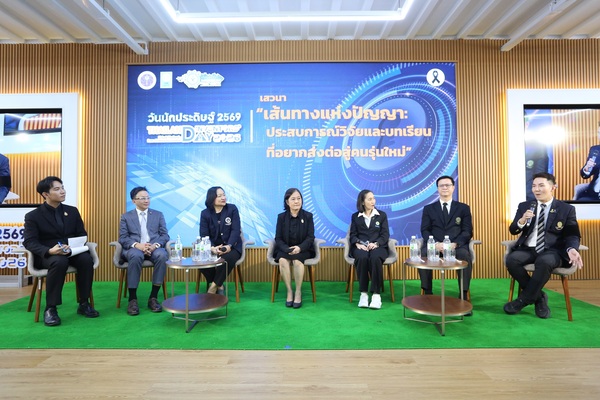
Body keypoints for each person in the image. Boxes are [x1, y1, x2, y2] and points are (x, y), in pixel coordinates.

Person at [504, 172, 584, 319]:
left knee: (544, 261)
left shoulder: (566, 209)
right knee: (511, 260)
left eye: (541, 185)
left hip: (553, 251)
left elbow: (572, 234)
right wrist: (522, 220)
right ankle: (539, 297)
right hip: (529, 248)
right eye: (534, 186)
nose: (536, 189)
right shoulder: (525, 206)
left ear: (553, 187)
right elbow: (513, 230)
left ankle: (522, 300)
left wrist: (572, 248)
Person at [23, 176, 99, 326]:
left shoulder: (72, 211)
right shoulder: (33, 216)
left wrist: (73, 246)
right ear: (45, 194)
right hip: (48, 255)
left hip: (71, 251)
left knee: (86, 259)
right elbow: (29, 242)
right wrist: (49, 251)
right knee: (59, 261)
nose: (62, 191)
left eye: (62, 188)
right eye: (57, 189)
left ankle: (84, 303)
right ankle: (51, 308)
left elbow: (81, 234)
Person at [419, 176, 473, 302]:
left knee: (465, 255)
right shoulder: (429, 209)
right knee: (424, 254)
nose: (444, 187)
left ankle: (463, 294)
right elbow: (425, 230)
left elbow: (467, 231)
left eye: (447, 185)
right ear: (437, 189)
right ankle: (427, 292)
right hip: (435, 246)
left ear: (453, 188)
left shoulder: (463, 208)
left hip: (456, 246)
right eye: (441, 185)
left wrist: (455, 244)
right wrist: (436, 244)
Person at [118, 186, 170, 316]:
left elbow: (165, 235)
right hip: (135, 249)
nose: (146, 200)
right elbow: (123, 238)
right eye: (142, 198)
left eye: (148, 198)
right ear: (134, 201)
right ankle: (132, 299)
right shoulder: (126, 217)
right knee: (136, 256)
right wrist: (138, 245)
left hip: (154, 248)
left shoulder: (158, 215)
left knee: (162, 255)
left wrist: (155, 245)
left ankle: (153, 297)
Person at [273, 188, 315, 309]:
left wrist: (299, 248)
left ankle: (298, 292)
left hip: (303, 249)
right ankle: (289, 291)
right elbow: (278, 238)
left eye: (299, 198)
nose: (297, 201)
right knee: (282, 260)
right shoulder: (281, 217)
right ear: (287, 202)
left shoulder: (308, 216)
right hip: (285, 249)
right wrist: (287, 249)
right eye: (293, 199)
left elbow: (310, 237)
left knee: (297, 261)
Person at [349, 189, 389, 309]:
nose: (373, 201)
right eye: (369, 199)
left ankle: (376, 295)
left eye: (373, 198)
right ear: (362, 202)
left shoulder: (381, 215)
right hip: (361, 246)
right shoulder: (355, 216)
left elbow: (385, 235)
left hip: (378, 247)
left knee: (375, 257)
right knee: (362, 257)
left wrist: (376, 243)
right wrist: (357, 243)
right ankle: (363, 294)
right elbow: (353, 235)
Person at [199, 186, 242, 294]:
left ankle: (212, 288)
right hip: (213, 247)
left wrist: (229, 245)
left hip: (232, 246)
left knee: (226, 259)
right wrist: (212, 248)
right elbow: (204, 235)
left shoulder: (232, 209)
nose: (223, 198)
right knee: (200, 259)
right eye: (219, 196)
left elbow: (235, 230)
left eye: (224, 195)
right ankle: (220, 285)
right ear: (212, 198)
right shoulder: (205, 213)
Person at [577, 127, 600, 200]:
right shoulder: (595, 149)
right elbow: (584, 175)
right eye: (598, 132)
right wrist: (587, 168)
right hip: (595, 193)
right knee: (581, 200)